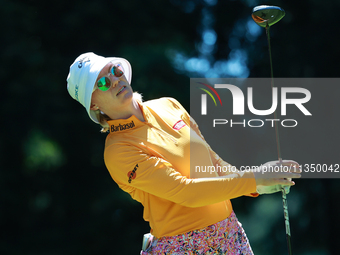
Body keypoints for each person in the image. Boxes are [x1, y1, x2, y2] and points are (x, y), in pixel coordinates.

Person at [67, 52, 300, 254]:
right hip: (181, 247)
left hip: (230, 233)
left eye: (115, 71)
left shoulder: (168, 105)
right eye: (104, 83)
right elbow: (185, 191)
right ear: (94, 105)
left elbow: (212, 162)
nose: (116, 80)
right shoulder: (118, 150)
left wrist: (258, 184)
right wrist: (254, 178)